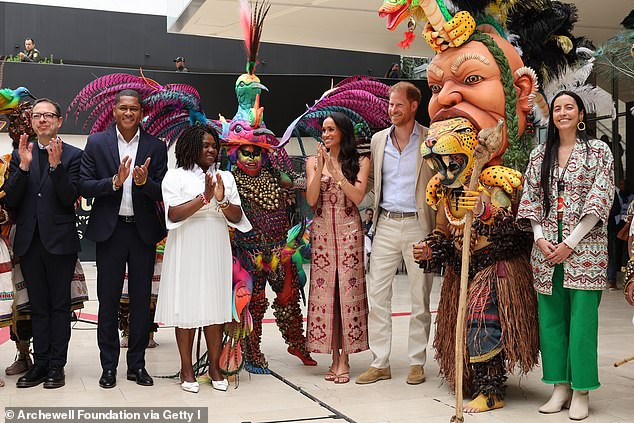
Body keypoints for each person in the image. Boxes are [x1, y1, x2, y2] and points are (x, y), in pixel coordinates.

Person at [518, 90, 614, 421]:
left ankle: (582, 389)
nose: (562, 113)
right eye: (557, 108)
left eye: (568, 107)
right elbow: (530, 198)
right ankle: (559, 386)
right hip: (545, 251)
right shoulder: (537, 156)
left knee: (583, 322)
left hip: (585, 249)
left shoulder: (599, 152)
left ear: (580, 113)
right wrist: (540, 238)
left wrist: (571, 242)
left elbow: (600, 198)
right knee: (551, 320)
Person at [79, 89, 168, 389]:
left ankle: (137, 366)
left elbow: (162, 192)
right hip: (111, 231)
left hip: (142, 232)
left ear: (142, 113)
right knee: (108, 301)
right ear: (114, 111)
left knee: (142, 302)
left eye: (134, 109)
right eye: (123, 108)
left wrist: (145, 182)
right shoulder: (96, 143)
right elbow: (85, 185)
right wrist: (114, 182)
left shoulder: (156, 146)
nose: (128, 113)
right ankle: (108, 367)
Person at [155, 124, 250, 393]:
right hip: (186, 243)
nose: (211, 150)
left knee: (214, 304)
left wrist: (220, 200)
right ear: (191, 147)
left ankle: (215, 368)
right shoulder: (175, 177)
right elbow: (173, 215)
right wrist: (204, 197)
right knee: (186, 304)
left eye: (214, 146)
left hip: (215, 243)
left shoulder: (225, 178)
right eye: (206, 145)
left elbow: (236, 218)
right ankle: (187, 369)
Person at [355, 81, 435, 386]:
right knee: (377, 295)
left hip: (418, 224)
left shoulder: (430, 139)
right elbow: (371, 180)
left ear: (414, 106)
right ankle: (380, 361)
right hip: (386, 224)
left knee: (420, 296)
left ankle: (416, 362)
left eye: (398, 104)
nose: (392, 109)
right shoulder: (378, 140)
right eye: (390, 104)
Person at [4, 98, 83, 389]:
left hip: (60, 243)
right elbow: (11, 201)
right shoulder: (19, 154)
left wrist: (56, 167)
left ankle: (56, 367)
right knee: (37, 307)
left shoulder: (73, 155)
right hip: (29, 242)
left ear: (59, 121)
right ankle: (39, 365)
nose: (42, 120)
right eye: (37, 116)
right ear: (32, 122)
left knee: (59, 306)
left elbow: (68, 199)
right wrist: (24, 169)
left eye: (48, 115)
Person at [305, 112, 370, 384]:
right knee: (327, 295)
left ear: (342, 132)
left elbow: (357, 197)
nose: (326, 134)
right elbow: (311, 200)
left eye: (331, 129)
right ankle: (333, 357)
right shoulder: (312, 161)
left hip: (349, 233)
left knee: (347, 293)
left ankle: (345, 359)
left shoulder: (360, 161)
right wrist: (320, 168)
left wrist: (336, 173)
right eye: (324, 130)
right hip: (321, 235)